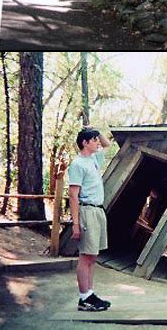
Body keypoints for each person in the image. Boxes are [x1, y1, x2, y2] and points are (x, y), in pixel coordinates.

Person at [68, 127, 112, 312]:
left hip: (97, 211)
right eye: (93, 139)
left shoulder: (93, 159)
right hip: (86, 211)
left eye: (96, 139)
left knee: (92, 256)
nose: (97, 142)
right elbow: (73, 195)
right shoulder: (78, 164)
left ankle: (90, 294)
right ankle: (84, 297)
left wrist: (95, 130)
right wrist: (76, 224)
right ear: (85, 143)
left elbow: (108, 144)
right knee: (85, 256)